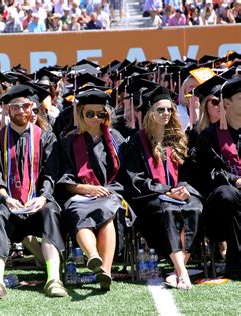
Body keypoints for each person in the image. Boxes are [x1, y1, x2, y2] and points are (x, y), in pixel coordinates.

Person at [0, 85, 67, 299]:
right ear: (8, 110)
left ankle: (53, 279)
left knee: (51, 211)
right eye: (15, 107)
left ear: (33, 108)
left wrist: (43, 197)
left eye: (25, 106)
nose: (20, 111)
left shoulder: (47, 138)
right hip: (9, 203)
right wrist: (6, 198)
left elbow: (50, 174)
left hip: (38, 202)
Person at [124, 85, 203, 290]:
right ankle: (183, 272)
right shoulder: (136, 142)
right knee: (169, 210)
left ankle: (178, 270)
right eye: (161, 109)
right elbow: (136, 180)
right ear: (150, 112)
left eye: (169, 109)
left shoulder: (178, 138)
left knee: (195, 207)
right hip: (151, 198)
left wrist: (183, 188)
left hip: (178, 193)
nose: (166, 113)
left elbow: (188, 174)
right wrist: (165, 190)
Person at [58, 88, 130, 291]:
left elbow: (125, 175)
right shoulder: (68, 141)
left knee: (107, 214)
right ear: (80, 114)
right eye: (90, 114)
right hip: (78, 195)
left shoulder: (116, 139)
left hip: (109, 192)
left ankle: (104, 272)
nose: (95, 118)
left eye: (101, 114)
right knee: (78, 213)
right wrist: (84, 188)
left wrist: (103, 190)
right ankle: (93, 257)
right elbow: (61, 178)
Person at [195, 78, 241, 279]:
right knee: (227, 193)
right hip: (220, 207)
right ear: (227, 103)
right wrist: (236, 181)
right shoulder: (209, 135)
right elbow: (212, 172)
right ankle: (236, 264)